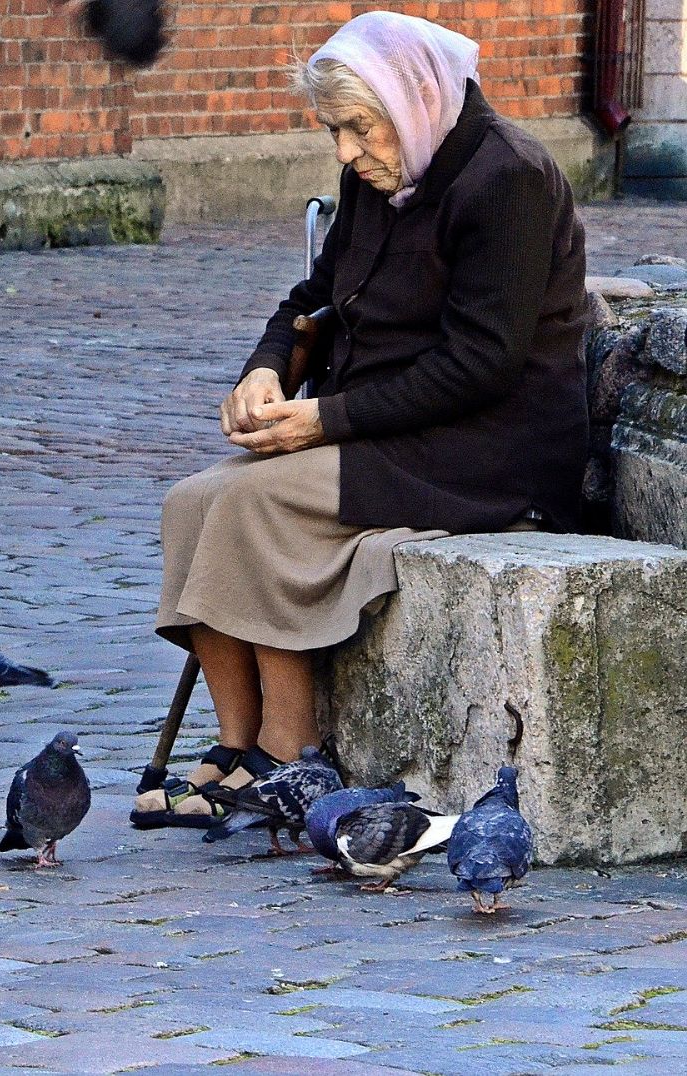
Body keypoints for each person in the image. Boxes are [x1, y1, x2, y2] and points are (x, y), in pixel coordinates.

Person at [134, 12, 589, 827]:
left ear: (413, 102)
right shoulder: (381, 173)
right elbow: (312, 300)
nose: (346, 150)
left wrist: (324, 422)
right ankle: (235, 745)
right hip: (383, 425)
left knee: (252, 502)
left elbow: (481, 363)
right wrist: (267, 370)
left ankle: (287, 748)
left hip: (484, 448)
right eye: (335, 130)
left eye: (358, 127)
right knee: (190, 500)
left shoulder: (508, 177)